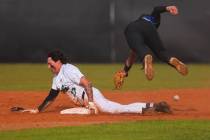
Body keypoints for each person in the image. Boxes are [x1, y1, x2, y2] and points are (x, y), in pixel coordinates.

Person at [28, 50, 171, 115]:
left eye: (50, 63)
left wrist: (90, 103)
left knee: (114, 109)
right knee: (115, 108)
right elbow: (51, 97)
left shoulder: (68, 69)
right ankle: (151, 106)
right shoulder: (56, 79)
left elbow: (88, 84)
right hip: (86, 102)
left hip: (92, 96)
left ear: (58, 61)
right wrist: (38, 109)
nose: (48, 66)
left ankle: (154, 107)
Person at [114, 5, 188, 89]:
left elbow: (132, 56)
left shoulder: (140, 21)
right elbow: (156, 10)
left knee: (139, 49)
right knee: (162, 53)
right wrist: (167, 8)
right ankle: (170, 59)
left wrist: (125, 71)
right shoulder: (153, 21)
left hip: (132, 28)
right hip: (150, 28)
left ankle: (145, 56)